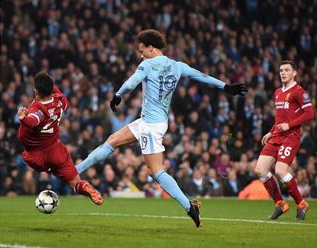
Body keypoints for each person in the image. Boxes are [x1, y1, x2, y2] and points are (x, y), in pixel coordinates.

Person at [76, 29, 246, 227]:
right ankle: (74, 171)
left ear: (150, 47)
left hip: (150, 126)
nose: (140, 55)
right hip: (151, 121)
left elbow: (131, 83)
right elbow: (202, 76)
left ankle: (190, 207)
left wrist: (117, 96)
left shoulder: (146, 65)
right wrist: (226, 87)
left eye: (142, 50)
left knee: (155, 172)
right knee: (112, 141)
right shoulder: (177, 66)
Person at [17, 72, 102, 205]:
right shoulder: (60, 101)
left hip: (37, 154)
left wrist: (23, 118)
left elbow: (34, 120)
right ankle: (84, 186)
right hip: (56, 150)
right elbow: (64, 101)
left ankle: (52, 170)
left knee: (36, 163)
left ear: (36, 92)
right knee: (74, 183)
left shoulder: (37, 108)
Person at [255, 60, 315, 220]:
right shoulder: (278, 92)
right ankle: (280, 204)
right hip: (276, 136)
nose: (283, 73)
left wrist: (290, 125)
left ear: (294, 73)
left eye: (287, 70)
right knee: (260, 169)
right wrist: (271, 131)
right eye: (281, 70)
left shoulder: (299, 91)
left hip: (291, 136)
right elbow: (280, 118)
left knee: (280, 170)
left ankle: (301, 203)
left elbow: (310, 113)